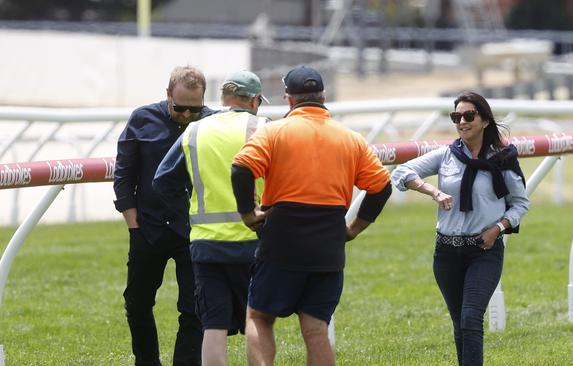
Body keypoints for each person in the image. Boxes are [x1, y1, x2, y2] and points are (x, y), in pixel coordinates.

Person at [230, 65, 392, 366]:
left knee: (259, 317)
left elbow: (241, 168)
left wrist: (248, 214)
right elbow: (382, 187)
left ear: (289, 99)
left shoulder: (273, 131)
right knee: (316, 329)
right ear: (323, 96)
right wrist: (354, 228)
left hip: (282, 237)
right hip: (329, 241)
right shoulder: (351, 138)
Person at [391, 91, 529, 366]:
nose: (462, 122)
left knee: (470, 318)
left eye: (469, 116)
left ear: (485, 120)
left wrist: (497, 228)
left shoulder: (503, 158)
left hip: (484, 250)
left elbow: (520, 204)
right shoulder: (447, 156)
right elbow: (401, 172)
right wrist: (432, 191)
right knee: (459, 323)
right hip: (446, 253)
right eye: (456, 117)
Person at [152, 70, 269, 366]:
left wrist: (190, 212)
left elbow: (162, 181)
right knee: (257, 321)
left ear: (223, 99)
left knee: (213, 326)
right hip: (254, 241)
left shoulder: (194, 130)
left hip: (206, 245)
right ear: (255, 100)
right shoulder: (265, 128)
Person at [113, 65, 212, 366]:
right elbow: (123, 177)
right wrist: (134, 226)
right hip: (148, 229)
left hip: (194, 231)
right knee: (137, 304)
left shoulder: (211, 122)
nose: (186, 115)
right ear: (168, 94)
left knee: (194, 309)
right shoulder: (142, 119)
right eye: (179, 107)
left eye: (193, 109)